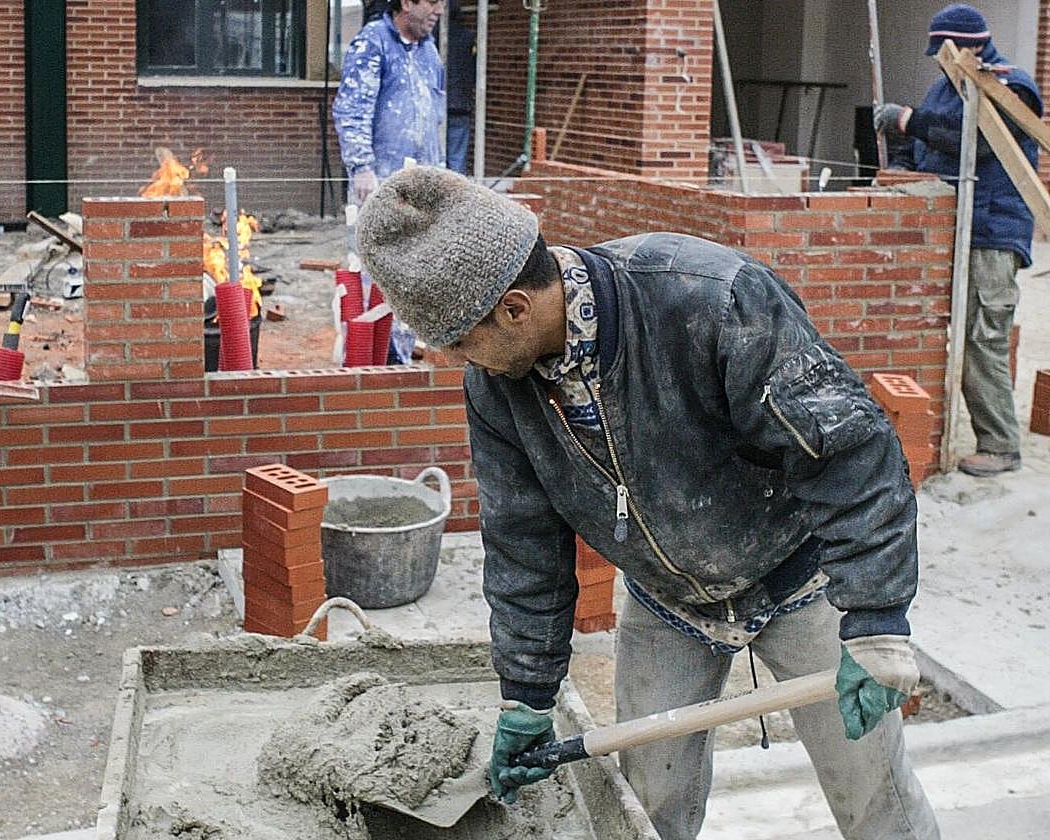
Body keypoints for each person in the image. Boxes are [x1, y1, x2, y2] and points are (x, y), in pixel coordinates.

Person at [357, 166, 940, 840]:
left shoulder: (708, 300)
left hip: (801, 581)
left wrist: (876, 621)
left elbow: (848, 453)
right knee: (645, 810)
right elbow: (522, 541)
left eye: (461, 341)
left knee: (876, 802)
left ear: (513, 308)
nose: (464, 361)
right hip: (669, 606)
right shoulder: (501, 391)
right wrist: (525, 694)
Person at [875, 3, 1041, 478]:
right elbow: (931, 140)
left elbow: (978, 140)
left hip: (993, 229)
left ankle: (1001, 446)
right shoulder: (947, 83)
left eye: (942, 49)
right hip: (957, 226)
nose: (937, 59)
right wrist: (902, 164)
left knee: (981, 338)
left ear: (967, 44)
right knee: (958, 335)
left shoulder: (1012, 85)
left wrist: (909, 121)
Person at [333, 0, 446, 363]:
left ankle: (403, 350)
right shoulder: (374, 42)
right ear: (406, 2)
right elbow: (352, 109)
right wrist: (362, 166)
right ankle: (373, 356)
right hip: (381, 184)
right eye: (432, 1)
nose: (439, 10)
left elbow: (435, 118)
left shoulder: (429, 52)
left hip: (423, 187)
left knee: (418, 272)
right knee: (376, 271)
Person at [445, 0, 476, 175]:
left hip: (439, 104)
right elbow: (473, 69)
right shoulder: (467, 37)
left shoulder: (430, 38)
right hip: (461, 103)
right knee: (457, 158)